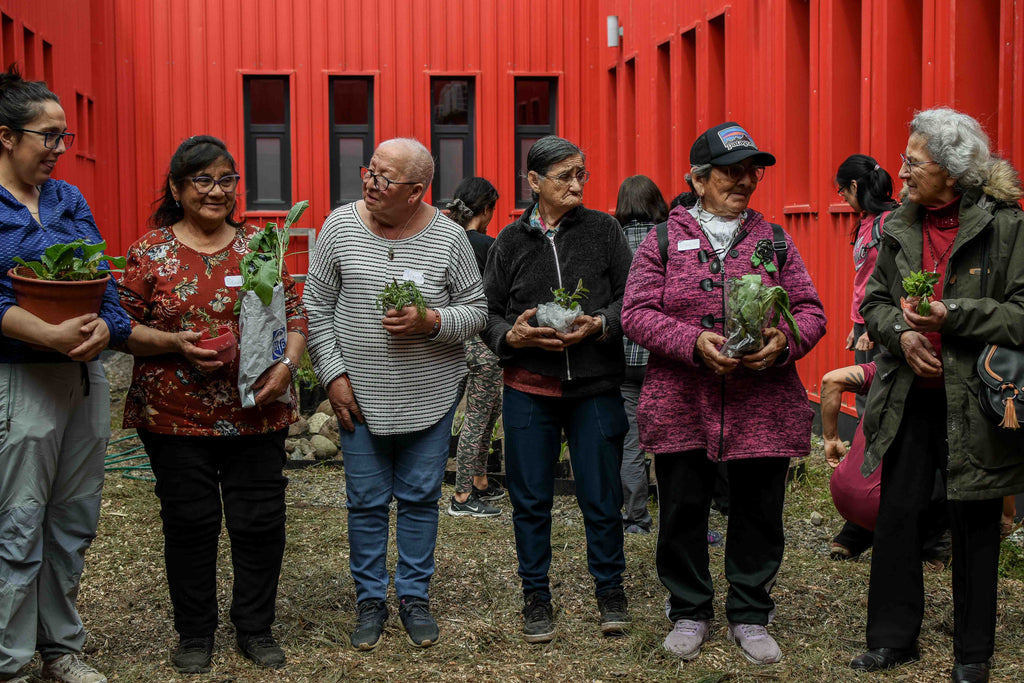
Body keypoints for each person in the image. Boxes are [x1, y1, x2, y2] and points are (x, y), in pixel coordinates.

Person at [621, 122, 827, 665]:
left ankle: (751, 612)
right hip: (682, 401)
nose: (744, 181)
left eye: (750, 171)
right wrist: (692, 342)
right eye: (731, 171)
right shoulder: (666, 238)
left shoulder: (774, 239)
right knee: (683, 508)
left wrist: (783, 341)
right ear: (698, 178)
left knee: (759, 510)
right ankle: (689, 608)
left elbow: (811, 311)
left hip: (762, 404)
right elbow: (635, 314)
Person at [118, 136, 307, 673]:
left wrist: (287, 366)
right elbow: (122, 329)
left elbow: (294, 316)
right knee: (190, 523)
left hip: (257, 410)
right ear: (178, 189)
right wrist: (176, 344)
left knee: (259, 522)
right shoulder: (149, 251)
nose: (217, 191)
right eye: (203, 180)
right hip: (176, 416)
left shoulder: (259, 248)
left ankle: (255, 626)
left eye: (227, 180)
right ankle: (195, 632)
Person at [852, 107, 1024, 683]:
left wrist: (953, 316)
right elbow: (873, 302)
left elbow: (1021, 314)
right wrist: (899, 336)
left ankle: (972, 653)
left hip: (975, 399)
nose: (899, 174)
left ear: (952, 172)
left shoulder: (1006, 226)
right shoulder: (899, 225)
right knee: (897, 514)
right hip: (908, 395)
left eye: (912, 164)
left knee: (973, 519)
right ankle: (891, 639)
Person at [304, 138, 487, 651]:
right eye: (371, 172)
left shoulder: (449, 238)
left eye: (385, 179)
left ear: (417, 191)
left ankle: (412, 597)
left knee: (420, 500)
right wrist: (334, 377)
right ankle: (369, 601)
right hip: (357, 396)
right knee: (364, 503)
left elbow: (475, 310)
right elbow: (315, 307)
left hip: (428, 396)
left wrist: (431, 321)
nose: (370, 183)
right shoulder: (339, 226)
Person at [0, 66, 129, 683]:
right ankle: (12, 658)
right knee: (20, 518)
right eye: (47, 136)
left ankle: (61, 648)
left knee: (73, 517)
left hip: (84, 378)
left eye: (63, 137)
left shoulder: (68, 199)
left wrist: (108, 325)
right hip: (22, 378)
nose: (58, 149)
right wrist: (44, 333)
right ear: (7, 136)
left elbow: (102, 274)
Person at [481, 135, 633, 643]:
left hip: (594, 388)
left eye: (581, 174)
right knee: (529, 499)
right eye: (565, 175)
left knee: (602, 495)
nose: (576, 184)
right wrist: (512, 335)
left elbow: (631, 301)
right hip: (528, 387)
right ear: (534, 182)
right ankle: (536, 597)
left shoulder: (604, 230)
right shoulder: (510, 241)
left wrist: (600, 325)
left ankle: (611, 592)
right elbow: (488, 313)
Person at [831, 156, 901, 560]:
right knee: (865, 418)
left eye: (842, 190)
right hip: (868, 330)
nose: (841, 197)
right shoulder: (866, 223)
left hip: (889, 333)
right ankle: (864, 516)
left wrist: (871, 327)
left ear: (856, 187)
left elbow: (891, 284)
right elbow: (864, 283)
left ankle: (870, 521)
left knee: (877, 417)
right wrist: (855, 325)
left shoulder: (892, 223)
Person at [821, 360, 949, 568]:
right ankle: (931, 550)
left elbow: (831, 379)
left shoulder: (884, 369)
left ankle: (848, 539)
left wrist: (831, 438)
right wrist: (1007, 514)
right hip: (883, 504)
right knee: (951, 473)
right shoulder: (942, 387)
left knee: (880, 474)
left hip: (841, 490)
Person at [445, 177, 505, 518]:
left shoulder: (448, 241)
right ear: (486, 210)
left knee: (486, 412)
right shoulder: (488, 245)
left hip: (455, 337)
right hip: (483, 340)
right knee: (480, 417)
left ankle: (480, 480)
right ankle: (463, 496)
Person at [614, 175, 668, 535]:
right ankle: (675, 518)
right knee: (670, 442)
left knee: (631, 442)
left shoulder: (612, 239)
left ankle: (635, 518)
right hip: (663, 355)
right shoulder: (667, 239)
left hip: (622, 358)